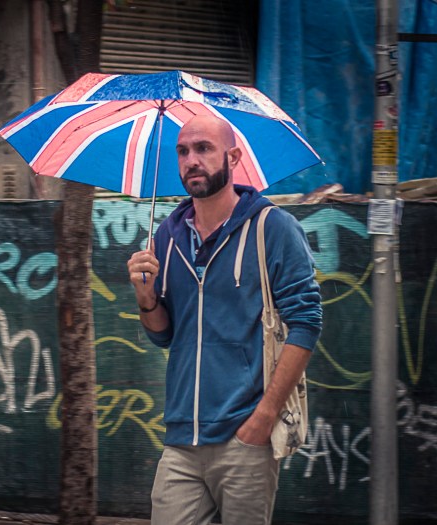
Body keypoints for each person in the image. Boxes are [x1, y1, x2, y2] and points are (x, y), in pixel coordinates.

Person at [126, 114, 322, 525]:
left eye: (203, 149)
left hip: (245, 434)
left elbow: (306, 322)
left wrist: (265, 416)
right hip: (182, 437)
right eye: (183, 151)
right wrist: (146, 300)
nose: (191, 160)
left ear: (232, 157)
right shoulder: (167, 236)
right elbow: (164, 336)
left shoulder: (273, 228)